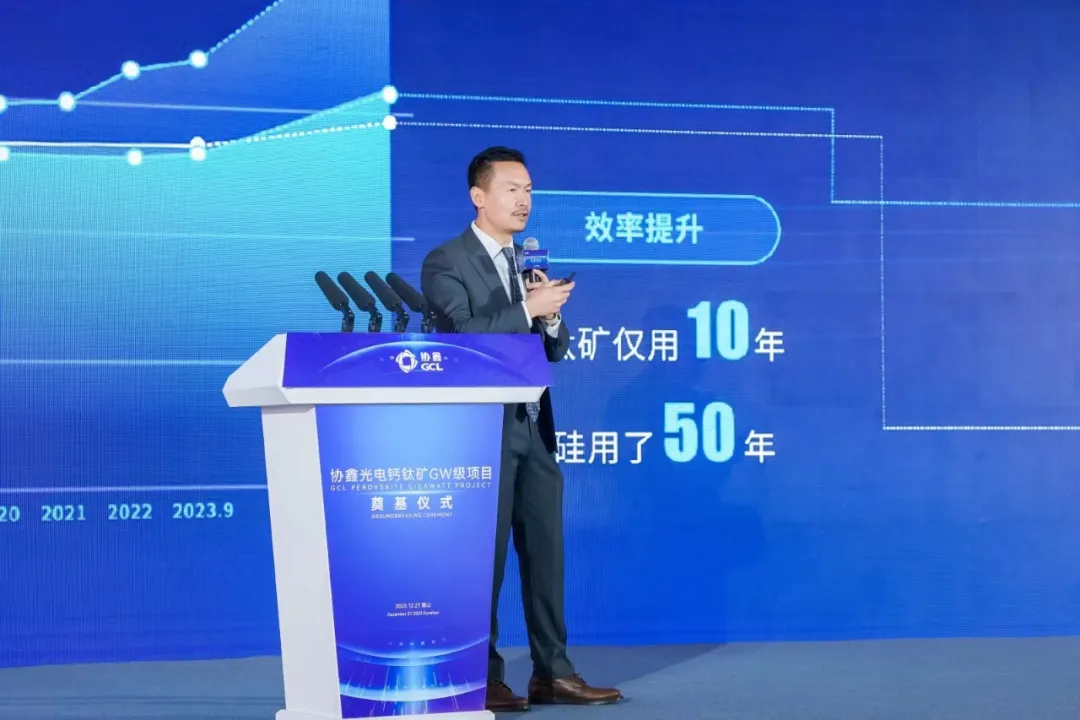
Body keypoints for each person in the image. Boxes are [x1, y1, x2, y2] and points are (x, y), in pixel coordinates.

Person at [420, 147, 623, 712]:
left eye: (529, 190)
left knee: (546, 556)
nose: (524, 200)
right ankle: (480, 676)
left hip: (535, 429)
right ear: (478, 195)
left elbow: (552, 350)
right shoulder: (446, 261)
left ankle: (552, 673)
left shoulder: (525, 261)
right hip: (481, 432)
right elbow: (462, 336)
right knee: (482, 561)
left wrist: (550, 315)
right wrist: (530, 309)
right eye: (512, 189)